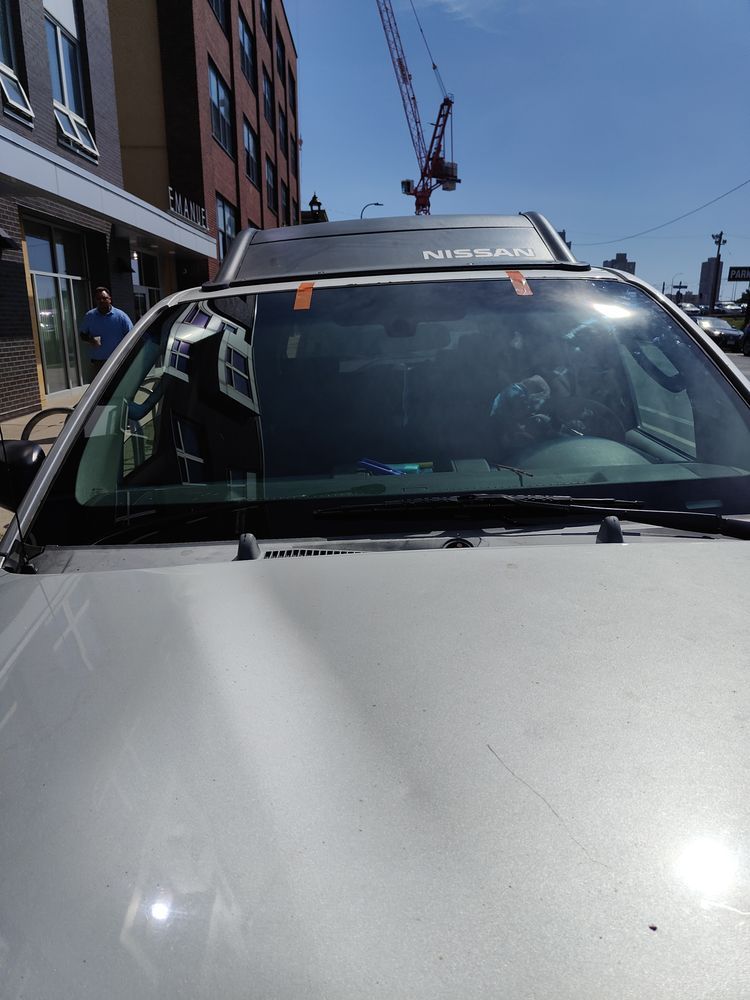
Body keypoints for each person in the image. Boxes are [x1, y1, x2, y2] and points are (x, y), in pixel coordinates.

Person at [79, 286, 133, 375]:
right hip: (98, 362)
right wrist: (90, 340)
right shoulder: (90, 316)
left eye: (104, 298)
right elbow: (82, 334)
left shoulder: (121, 316)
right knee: (99, 384)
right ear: (95, 300)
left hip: (118, 360)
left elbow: (131, 336)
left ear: (110, 299)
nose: (101, 301)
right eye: (98, 299)